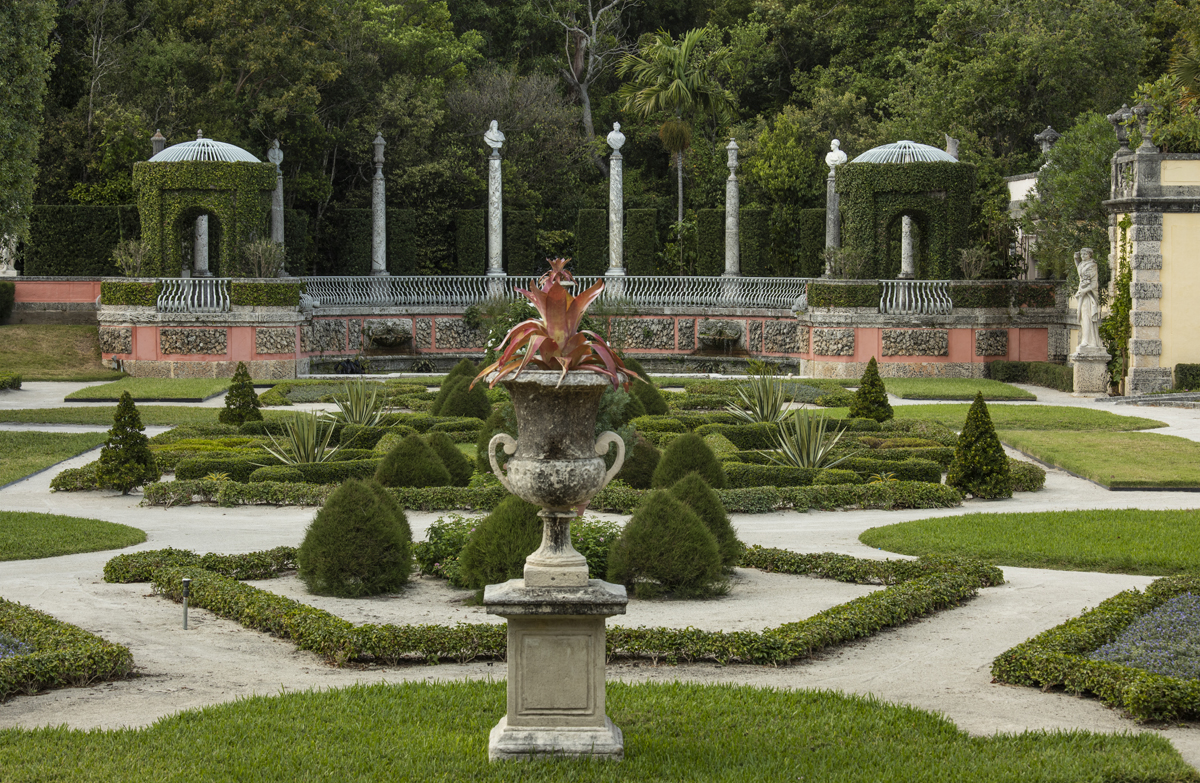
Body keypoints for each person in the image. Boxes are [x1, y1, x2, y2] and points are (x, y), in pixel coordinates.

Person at [1075, 248, 1101, 350]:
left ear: (1090, 255)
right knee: (1082, 317)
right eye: (1082, 254)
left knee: (1087, 317)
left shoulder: (1092, 265)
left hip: (1088, 296)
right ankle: (1086, 340)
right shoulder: (1082, 264)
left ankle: (1088, 341)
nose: (1083, 256)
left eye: (1085, 254)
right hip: (1082, 294)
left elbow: (1094, 284)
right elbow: (1080, 272)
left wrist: (1084, 291)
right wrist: (1076, 260)